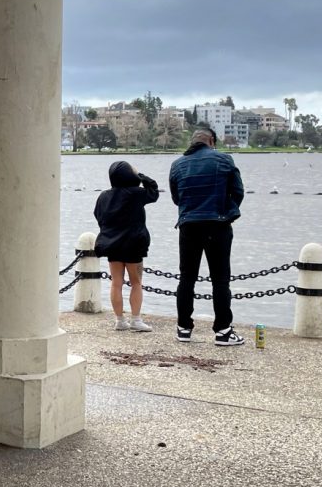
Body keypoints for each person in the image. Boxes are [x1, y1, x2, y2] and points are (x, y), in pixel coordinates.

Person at [169, 127, 246, 345]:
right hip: (218, 224)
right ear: (211, 141)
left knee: (186, 278)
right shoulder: (224, 160)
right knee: (220, 279)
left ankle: (183, 327)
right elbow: (238, 191)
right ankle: (223, 331)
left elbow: (177, 197)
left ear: (193, 142)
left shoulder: (177, 165)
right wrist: (227, 210)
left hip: (188, 225)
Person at [93, 161, 159, 332]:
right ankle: (136, 319)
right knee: (136, 282)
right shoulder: (136, 193)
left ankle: (119, 320)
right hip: (133, 243)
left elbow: (98, 215)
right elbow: (153, 191)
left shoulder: (104, 196)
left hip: (112, 244)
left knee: (116, 282)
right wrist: (141, 176)